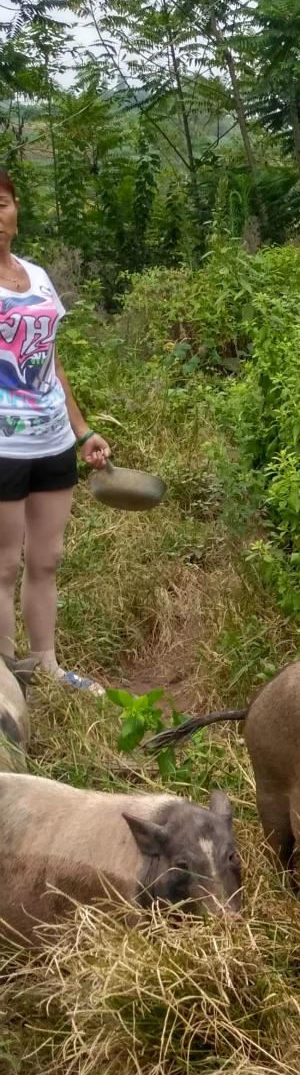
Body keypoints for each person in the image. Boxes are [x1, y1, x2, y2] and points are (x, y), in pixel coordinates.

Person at [0, 169, 111, 693]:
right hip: (2, 447)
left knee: (47, 559)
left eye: (1, 203)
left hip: (50, 441)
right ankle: (4, 679)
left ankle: (42, 665)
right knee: (3, 565)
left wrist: (82, 430)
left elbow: (51, 362)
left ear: (16, 210)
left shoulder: (39, 276)